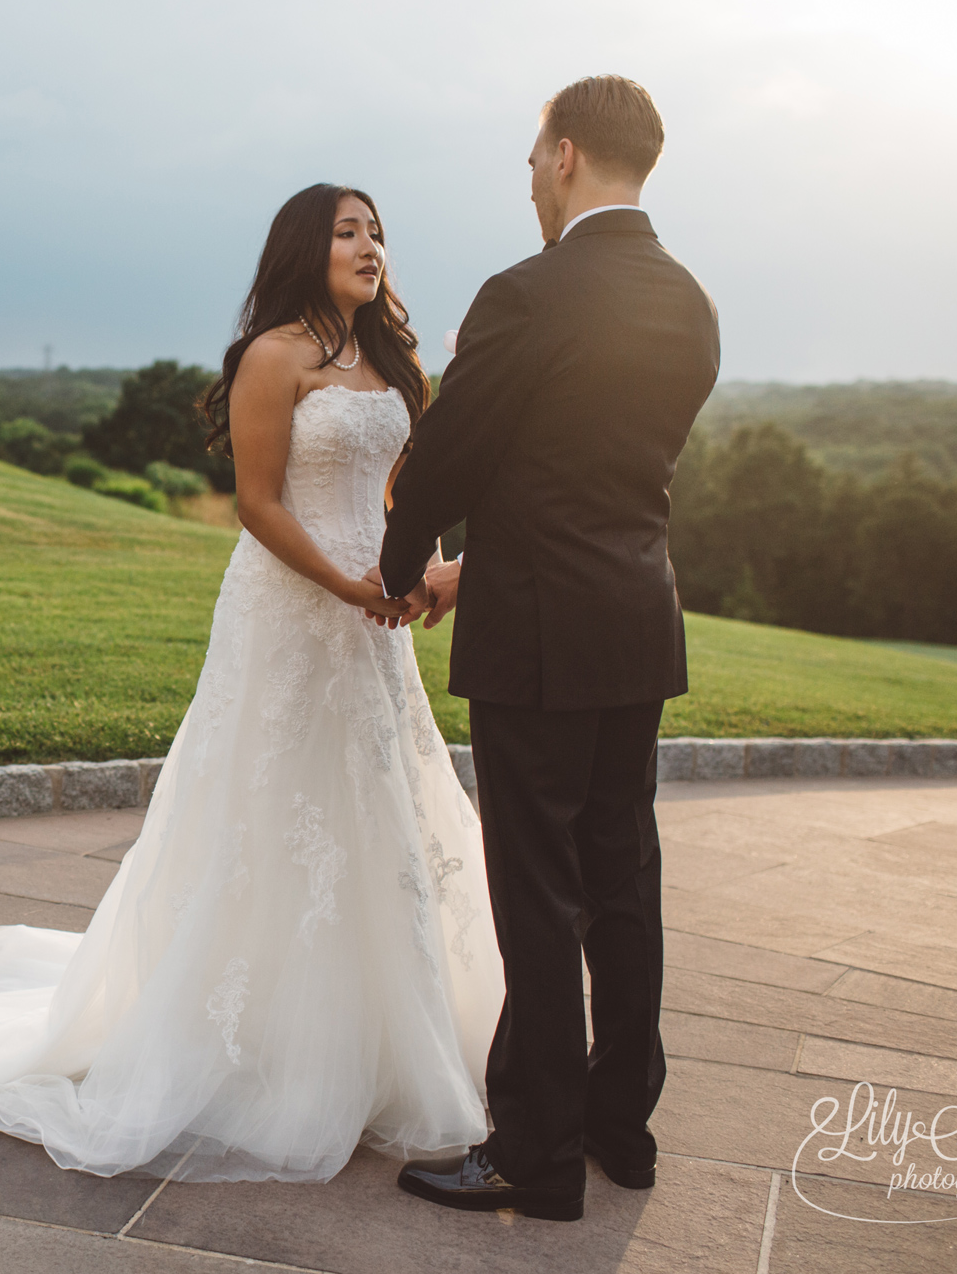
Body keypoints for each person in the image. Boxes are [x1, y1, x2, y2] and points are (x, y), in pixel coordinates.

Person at [0, 184, 502, 1182]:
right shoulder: (273, 355)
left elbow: (402, 490)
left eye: (377, 231)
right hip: (294, 607)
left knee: (378, 803)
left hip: (370, 622)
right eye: (347, 230)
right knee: (277, 803)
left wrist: (410, 575)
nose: (369, 245)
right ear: (304, 249)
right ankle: (254, 1043)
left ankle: (388, 1031)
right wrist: (347, 582)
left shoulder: (392, 359)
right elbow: (256, 504)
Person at [375, 76, 721, 1221]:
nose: (530, 176)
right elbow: (604, 475)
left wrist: (401, 560)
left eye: (532, 157)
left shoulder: (527, 291)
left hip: (535, 633)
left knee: (535, 887)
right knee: (622, 878)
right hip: (636, 620)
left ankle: (533, 1149)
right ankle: (622, 1125)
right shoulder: (690, 301)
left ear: (564, 154)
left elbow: (453, 454)